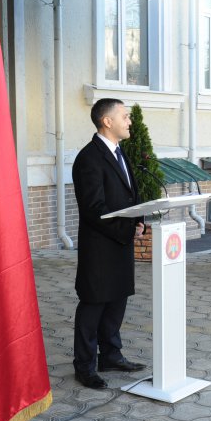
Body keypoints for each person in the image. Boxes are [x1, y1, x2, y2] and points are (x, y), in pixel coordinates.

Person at [72, 98, 147, 389]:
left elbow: (130, 195)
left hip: (120, 242)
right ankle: (85, 366)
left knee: (117, 301)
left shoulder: (118, 152)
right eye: (125, 116)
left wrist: (139, 222)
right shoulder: (89, 158)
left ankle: (111, 355)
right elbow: (94, 208)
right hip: (100, 247)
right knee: (94, 305)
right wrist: (125, 230)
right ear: (107, 121)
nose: (130, 121)